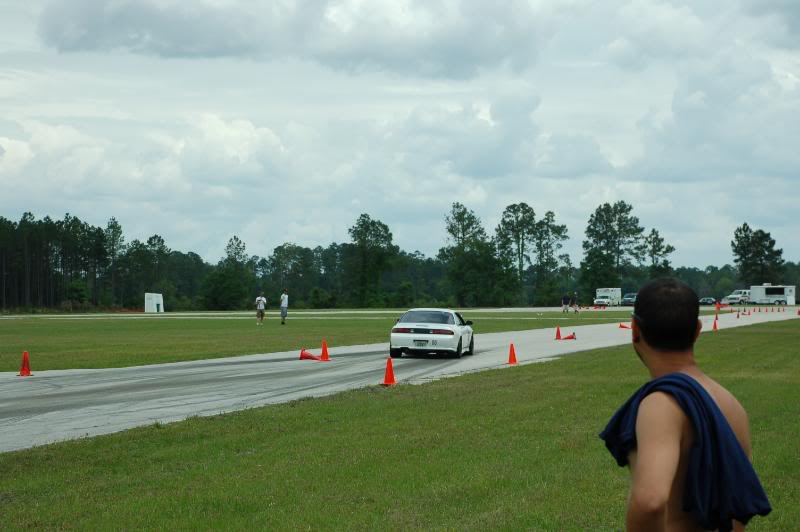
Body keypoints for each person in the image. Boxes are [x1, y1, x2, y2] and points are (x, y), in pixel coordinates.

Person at [600, 278, 771, 531]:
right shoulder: (730, 404)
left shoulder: (661, 404)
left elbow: (650, 501)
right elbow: (736, 505)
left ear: (635, 329)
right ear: (697, 330)